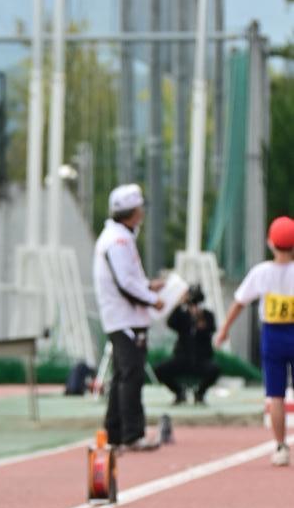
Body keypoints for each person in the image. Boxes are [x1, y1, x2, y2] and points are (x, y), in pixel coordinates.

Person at [215, 214, 294, 467]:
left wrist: (224, 329)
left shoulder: (262, 272)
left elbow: (239, 303)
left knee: (276, 396)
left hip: (272, 335)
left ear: (270, 242)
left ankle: (281, 447)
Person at [92, 182, 163, 450]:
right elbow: (125, 284)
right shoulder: (118, 240)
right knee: (131, 375)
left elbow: (130, 280)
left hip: (123, 317)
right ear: (133, 211)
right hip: (125, 318)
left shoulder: (118, 236)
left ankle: (115, 433)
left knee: (124, 375)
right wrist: (153, 299)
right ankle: (131, 434)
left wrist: (148, 287)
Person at [157, 285, 219, 406]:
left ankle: (200, 393)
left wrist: (200, 322)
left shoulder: (207, 316)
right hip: (182, 358)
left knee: (215, 369)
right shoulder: (182, 315)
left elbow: (211, 329)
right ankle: (179, 392)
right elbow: (170, 323)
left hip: (201, 359)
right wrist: (180, 303)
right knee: (159, 370)